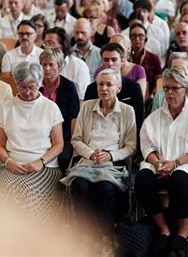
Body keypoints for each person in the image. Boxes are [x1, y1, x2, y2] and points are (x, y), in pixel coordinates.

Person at [135, 67, 188, 255]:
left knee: (178, 179)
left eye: (175, 88)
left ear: (186, 90)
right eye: (166, 88)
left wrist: (175, 164)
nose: (169, 93)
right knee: (142, 179)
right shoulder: (154, 117)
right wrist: (157, 163)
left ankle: (184, 230)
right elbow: (147, 146)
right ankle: (164, 228)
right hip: (159, 164)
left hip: (187, 164)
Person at [61, 68, 136, 252]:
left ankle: (107, 236)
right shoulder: (87, 106)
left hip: (112, 164)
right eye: (100, 84)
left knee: (106, 188)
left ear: (118, 88)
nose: (104, 88)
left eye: (109, 84)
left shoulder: (127, 111)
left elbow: (131, 146)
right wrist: (90, 153)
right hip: (88, 161)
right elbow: (76, 140)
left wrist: (110, 155)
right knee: (79, 185)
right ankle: (86, 234)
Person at [0, 62, 64, 225]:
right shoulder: (7, 107)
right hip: (12, 163)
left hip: (44, 165)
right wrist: (8, 162)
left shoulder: (50, 107)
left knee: (28, 191)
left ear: (40, 84)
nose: (27, 92)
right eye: (22, 87)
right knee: (1, 189)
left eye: (32, 87)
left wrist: (41, 161)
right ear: (16, 84)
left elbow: (59, 144)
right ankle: (3, 235)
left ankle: (31, 239)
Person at [84, 43, 144, 143]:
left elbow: (138, 122)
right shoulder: (92, 88)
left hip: (124, 141)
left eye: (114, 59)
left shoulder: (133, 88)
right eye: (106, 60)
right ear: (101, 61)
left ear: (122, 61)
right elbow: (86, 121)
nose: (110, 63)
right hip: (95, 140)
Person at [39, 48, 80, 174]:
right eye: (44, 64)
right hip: (38, 132)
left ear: (60, 67)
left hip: (63, 134)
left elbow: (74, 117)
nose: (46, 68)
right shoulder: (36, 86)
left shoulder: (69, 86)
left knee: (63, 158)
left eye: (51, 64)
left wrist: (73, 141)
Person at [129, 21, 162, 97]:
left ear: (146, 38)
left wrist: (153, 95)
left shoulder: (154, 58)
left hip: (149, 96)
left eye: (141, 36)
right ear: (130, 38)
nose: (137, 39)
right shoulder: (125, 58)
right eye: (134, 36)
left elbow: (159, 81)